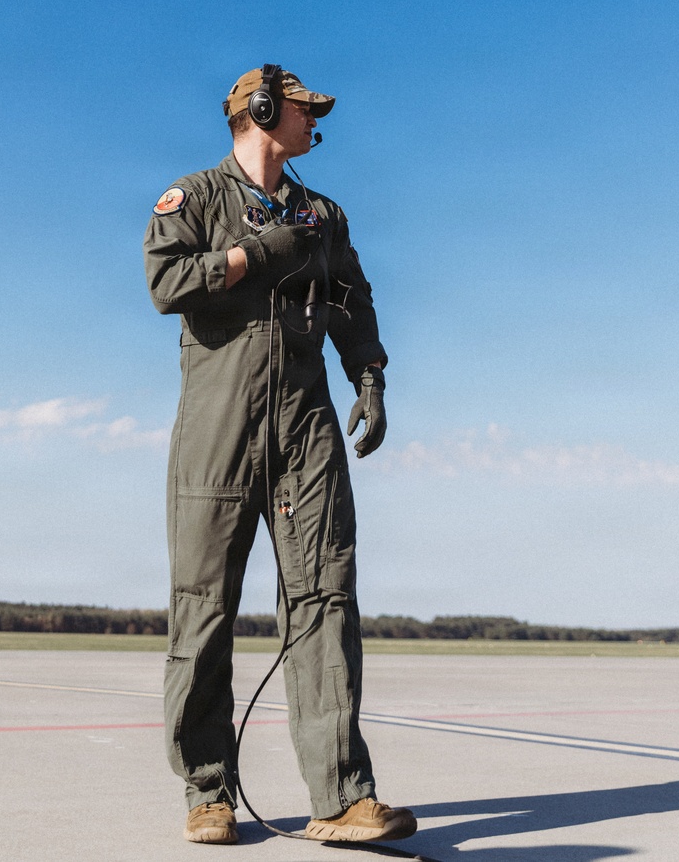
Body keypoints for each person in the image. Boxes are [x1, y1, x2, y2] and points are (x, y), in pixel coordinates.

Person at [143, 65, 417, 846]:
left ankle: (341, 796)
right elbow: (168, 283)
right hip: (216, 434)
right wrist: (256, 253)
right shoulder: (192, 200)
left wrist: (368, 370)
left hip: (306, 431)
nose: (315, 121)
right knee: (203, 611)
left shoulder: (323, 215)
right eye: (304, 110)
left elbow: (351, 296)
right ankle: (207, 792)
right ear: (261, 111)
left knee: (326, 599)